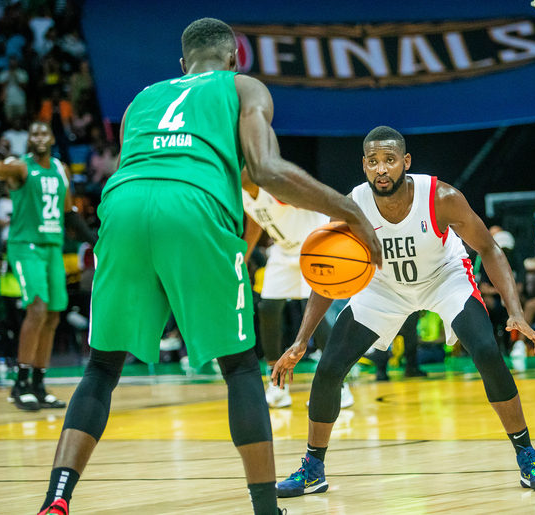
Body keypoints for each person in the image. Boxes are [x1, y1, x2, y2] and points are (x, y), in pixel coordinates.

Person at [25, 19, 381, 515]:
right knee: (238, 367)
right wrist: (349, 210)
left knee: (103, 367)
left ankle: (56, 499)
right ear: (233, 58)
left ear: (182, 64)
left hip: (122, 206)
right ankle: (265, 508)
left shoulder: (141, 99)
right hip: (194, 206)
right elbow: (267, 171)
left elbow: (146, 167)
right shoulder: (243, 87)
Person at [272, 126, 535, 498]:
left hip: (444, 278)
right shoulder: (351, 206)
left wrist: (515, 311)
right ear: (363, 165)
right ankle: (313, 468)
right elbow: (325, 278)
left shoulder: (441, 197)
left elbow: (490, 249)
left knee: (487, 352)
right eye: (373, 162)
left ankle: (528, 456)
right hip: (383, 287)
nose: (381, 169)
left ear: (405, 162)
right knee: (328, 370)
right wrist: (300, 340)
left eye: (389, 160)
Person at [0, 122, 98, 413]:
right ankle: (21, 384)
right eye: (34, 133)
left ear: (52, 138)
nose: (39, 136)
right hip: (26, 246)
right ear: (29, 140)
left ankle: (39, 385)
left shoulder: (61, 170)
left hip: (52, 247)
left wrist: (96, 240)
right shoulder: (21, 168)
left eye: (44, 132)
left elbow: (69, 214)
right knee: (38, 308)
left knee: (54, 315)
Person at [240, 169, 354, 409]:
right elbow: (255, 221)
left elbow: (317, 196)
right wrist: (244, 257)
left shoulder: (276, 186)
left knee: (314, 316)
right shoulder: (242, 193)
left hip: (314, 245)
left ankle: (338, 386)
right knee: (268, 308)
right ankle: (277, 385)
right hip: (284, 251)